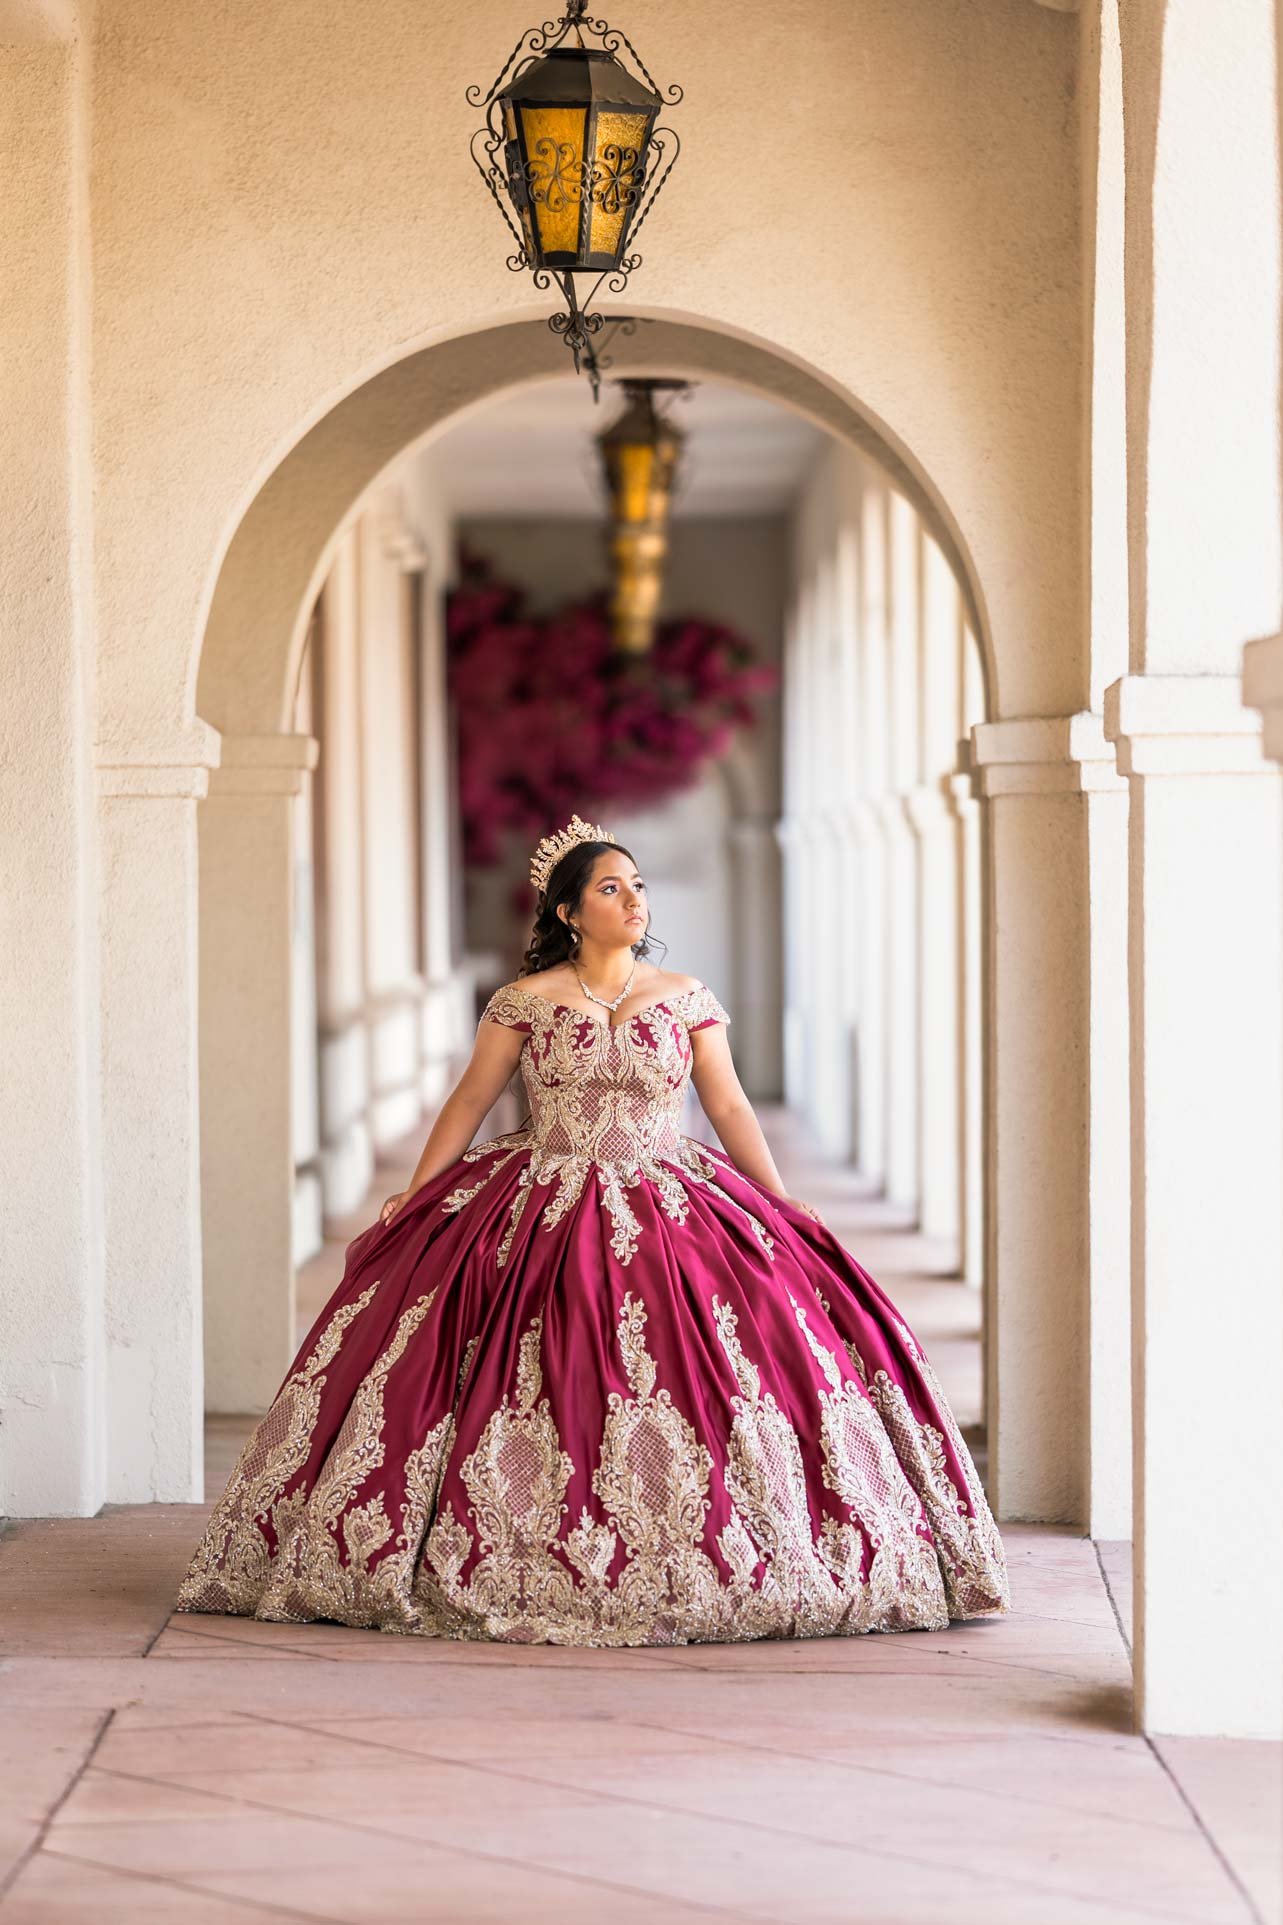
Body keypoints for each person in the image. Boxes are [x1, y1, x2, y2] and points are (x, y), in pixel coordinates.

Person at [178, 812, 1009, 1644]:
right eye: (611, 888)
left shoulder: (685, 998)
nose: (633, 900)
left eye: (637, 885)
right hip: (544, 1189)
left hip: (669, 1193)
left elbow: (725, 1104)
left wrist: (779, 1200)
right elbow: (469, 1100)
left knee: (721, 1356)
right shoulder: (524, 1002)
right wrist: (418, 1191)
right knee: (525, 1366)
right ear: (570, 911)